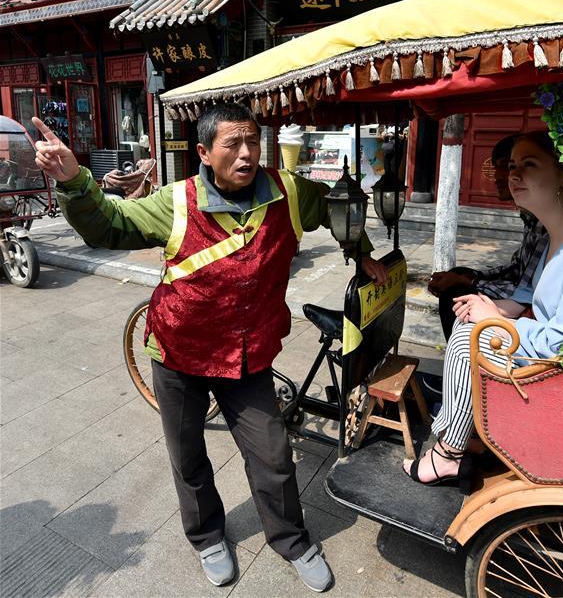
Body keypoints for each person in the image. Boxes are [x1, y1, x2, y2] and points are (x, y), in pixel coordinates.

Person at [33, 104, 387, 592]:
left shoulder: (289, 192)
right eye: (232, 144)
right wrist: (75, 180)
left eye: (252, 142)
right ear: (203, 152)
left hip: (248, 356)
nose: (246, 154)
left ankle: (291, 540)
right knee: (189, 454)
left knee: (274, 455)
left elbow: (337, 206)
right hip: (179, 353)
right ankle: (206, 537)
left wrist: (361, 251)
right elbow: (107, 226)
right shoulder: (174, 202)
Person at [404, 131, 563, 488]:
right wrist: (492, 308)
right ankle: (466, 427)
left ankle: (449, 452)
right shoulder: (557, 236)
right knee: (468, 320)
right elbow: (529, 289)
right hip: (547, 355)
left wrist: (493, 318)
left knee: (466, 339)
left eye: (529, 165)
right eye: (512, 167)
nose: (514, 175)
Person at [428, 134, 549, 340]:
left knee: (455, 294)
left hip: (530, 312)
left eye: (527, 166)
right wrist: (470, 276)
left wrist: (471, 283)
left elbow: (526, 292)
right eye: (509, 167)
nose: (505, 176)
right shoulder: (531, 217)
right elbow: (518, 268)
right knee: (459, 277)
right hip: (521, 297)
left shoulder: (550, 223)